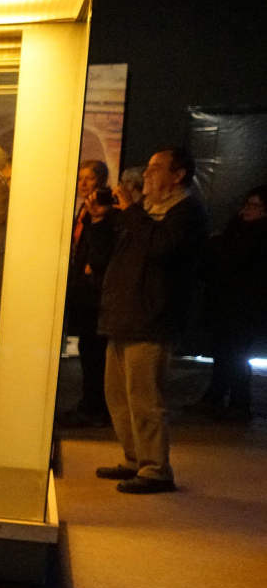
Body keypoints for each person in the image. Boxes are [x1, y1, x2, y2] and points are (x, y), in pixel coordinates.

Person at [96, 147, 209, 493]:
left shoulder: (186, 212)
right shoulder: (143, 213)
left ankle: (156, 468)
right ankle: (134, 459)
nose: (146, 175)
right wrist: (102, 220)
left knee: (145, 397)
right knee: (118, 395)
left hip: (153, 317)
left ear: (178, 175)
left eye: (156, 168)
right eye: (146, 168)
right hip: (125, 315)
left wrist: (131, 214)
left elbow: (162, 248)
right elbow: (108, 258)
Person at [197, 185, 267, 420]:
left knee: (235, 353)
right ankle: (218, 397)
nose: (247, 210)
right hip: (225, 302)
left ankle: (238, 402)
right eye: (247, 204)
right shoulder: (235, 230)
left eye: (255, 206)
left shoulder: (257, 237)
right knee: (223, 351)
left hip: (245, 307)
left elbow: (241, 264)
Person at [60, 179, 119, 428]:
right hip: (85, 293)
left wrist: (99, 221)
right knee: (88, 350)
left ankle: (97, 407)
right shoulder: (84, 214)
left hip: (98, 295)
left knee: (96, 353)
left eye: (89, 179)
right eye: (80, 178)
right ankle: (90, 403)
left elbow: (98, 256)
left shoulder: (114, 220)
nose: (84, 185)